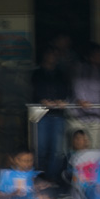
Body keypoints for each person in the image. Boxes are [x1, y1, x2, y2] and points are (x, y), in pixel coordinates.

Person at [32, 46, 70, 181]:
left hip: (58, 115)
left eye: (55, 55)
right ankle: (40, 178)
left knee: (57, 151)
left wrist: (63, 101)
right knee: (41, 149)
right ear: (45, 56)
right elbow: (34, 91)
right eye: (51, 54)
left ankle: (52, 179)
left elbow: (66, 91)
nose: (53, 57)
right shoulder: (37, 73)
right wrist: (42, 100)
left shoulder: (61, 73)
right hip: (41, 114)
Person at [69, 42, 100, 149]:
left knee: (95, 150)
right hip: (78, 117)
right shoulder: (80, 68)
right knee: (77, 150)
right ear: (91, 55)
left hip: (96, 118)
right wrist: (81, 100)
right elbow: (77, 86)